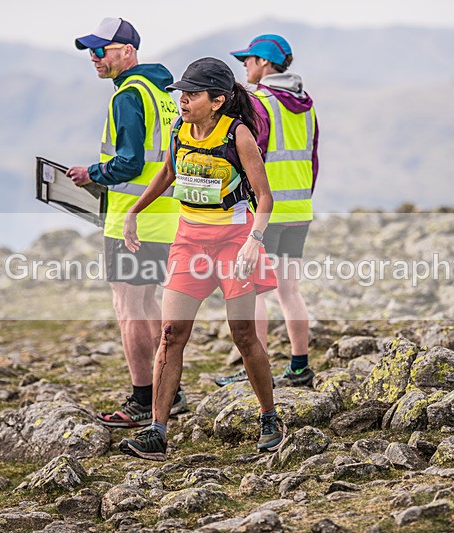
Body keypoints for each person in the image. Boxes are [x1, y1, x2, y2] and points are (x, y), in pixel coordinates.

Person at [118, 57, 284, 461]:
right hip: (189, 242)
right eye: (181, 94)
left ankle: (269, 416)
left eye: (191, 95)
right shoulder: (180, 129)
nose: (182, 101)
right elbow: (167, 174)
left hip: (234, 242)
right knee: (171, 334)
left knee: (243, 336)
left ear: (217, 100)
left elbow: (264, 197)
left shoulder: (238, 134)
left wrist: (253, 242)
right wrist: (134, 211)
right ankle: (157, 430)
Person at [67, 17, 187, 427]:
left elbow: (131, 162)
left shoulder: (128, 96)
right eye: (91, 52)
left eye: (101, 50)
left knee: (129, 307)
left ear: (127, 52)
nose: (94, 58)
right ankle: (171, 389)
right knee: (149, 302)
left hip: (131, 224)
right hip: (167, 219)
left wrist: (92, 175)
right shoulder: (165, 95)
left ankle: (142, 400)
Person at [215, 34, 319, 388]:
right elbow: (313, 157)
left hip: (266, 210)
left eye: (248, 60)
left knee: (254, 290)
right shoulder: (307, 104)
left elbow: (250, 156)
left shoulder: (260, 101)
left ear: (263, 62)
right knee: (290, 290)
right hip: (300, 206)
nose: (244, 65)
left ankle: (253, 370)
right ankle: (300, 366)